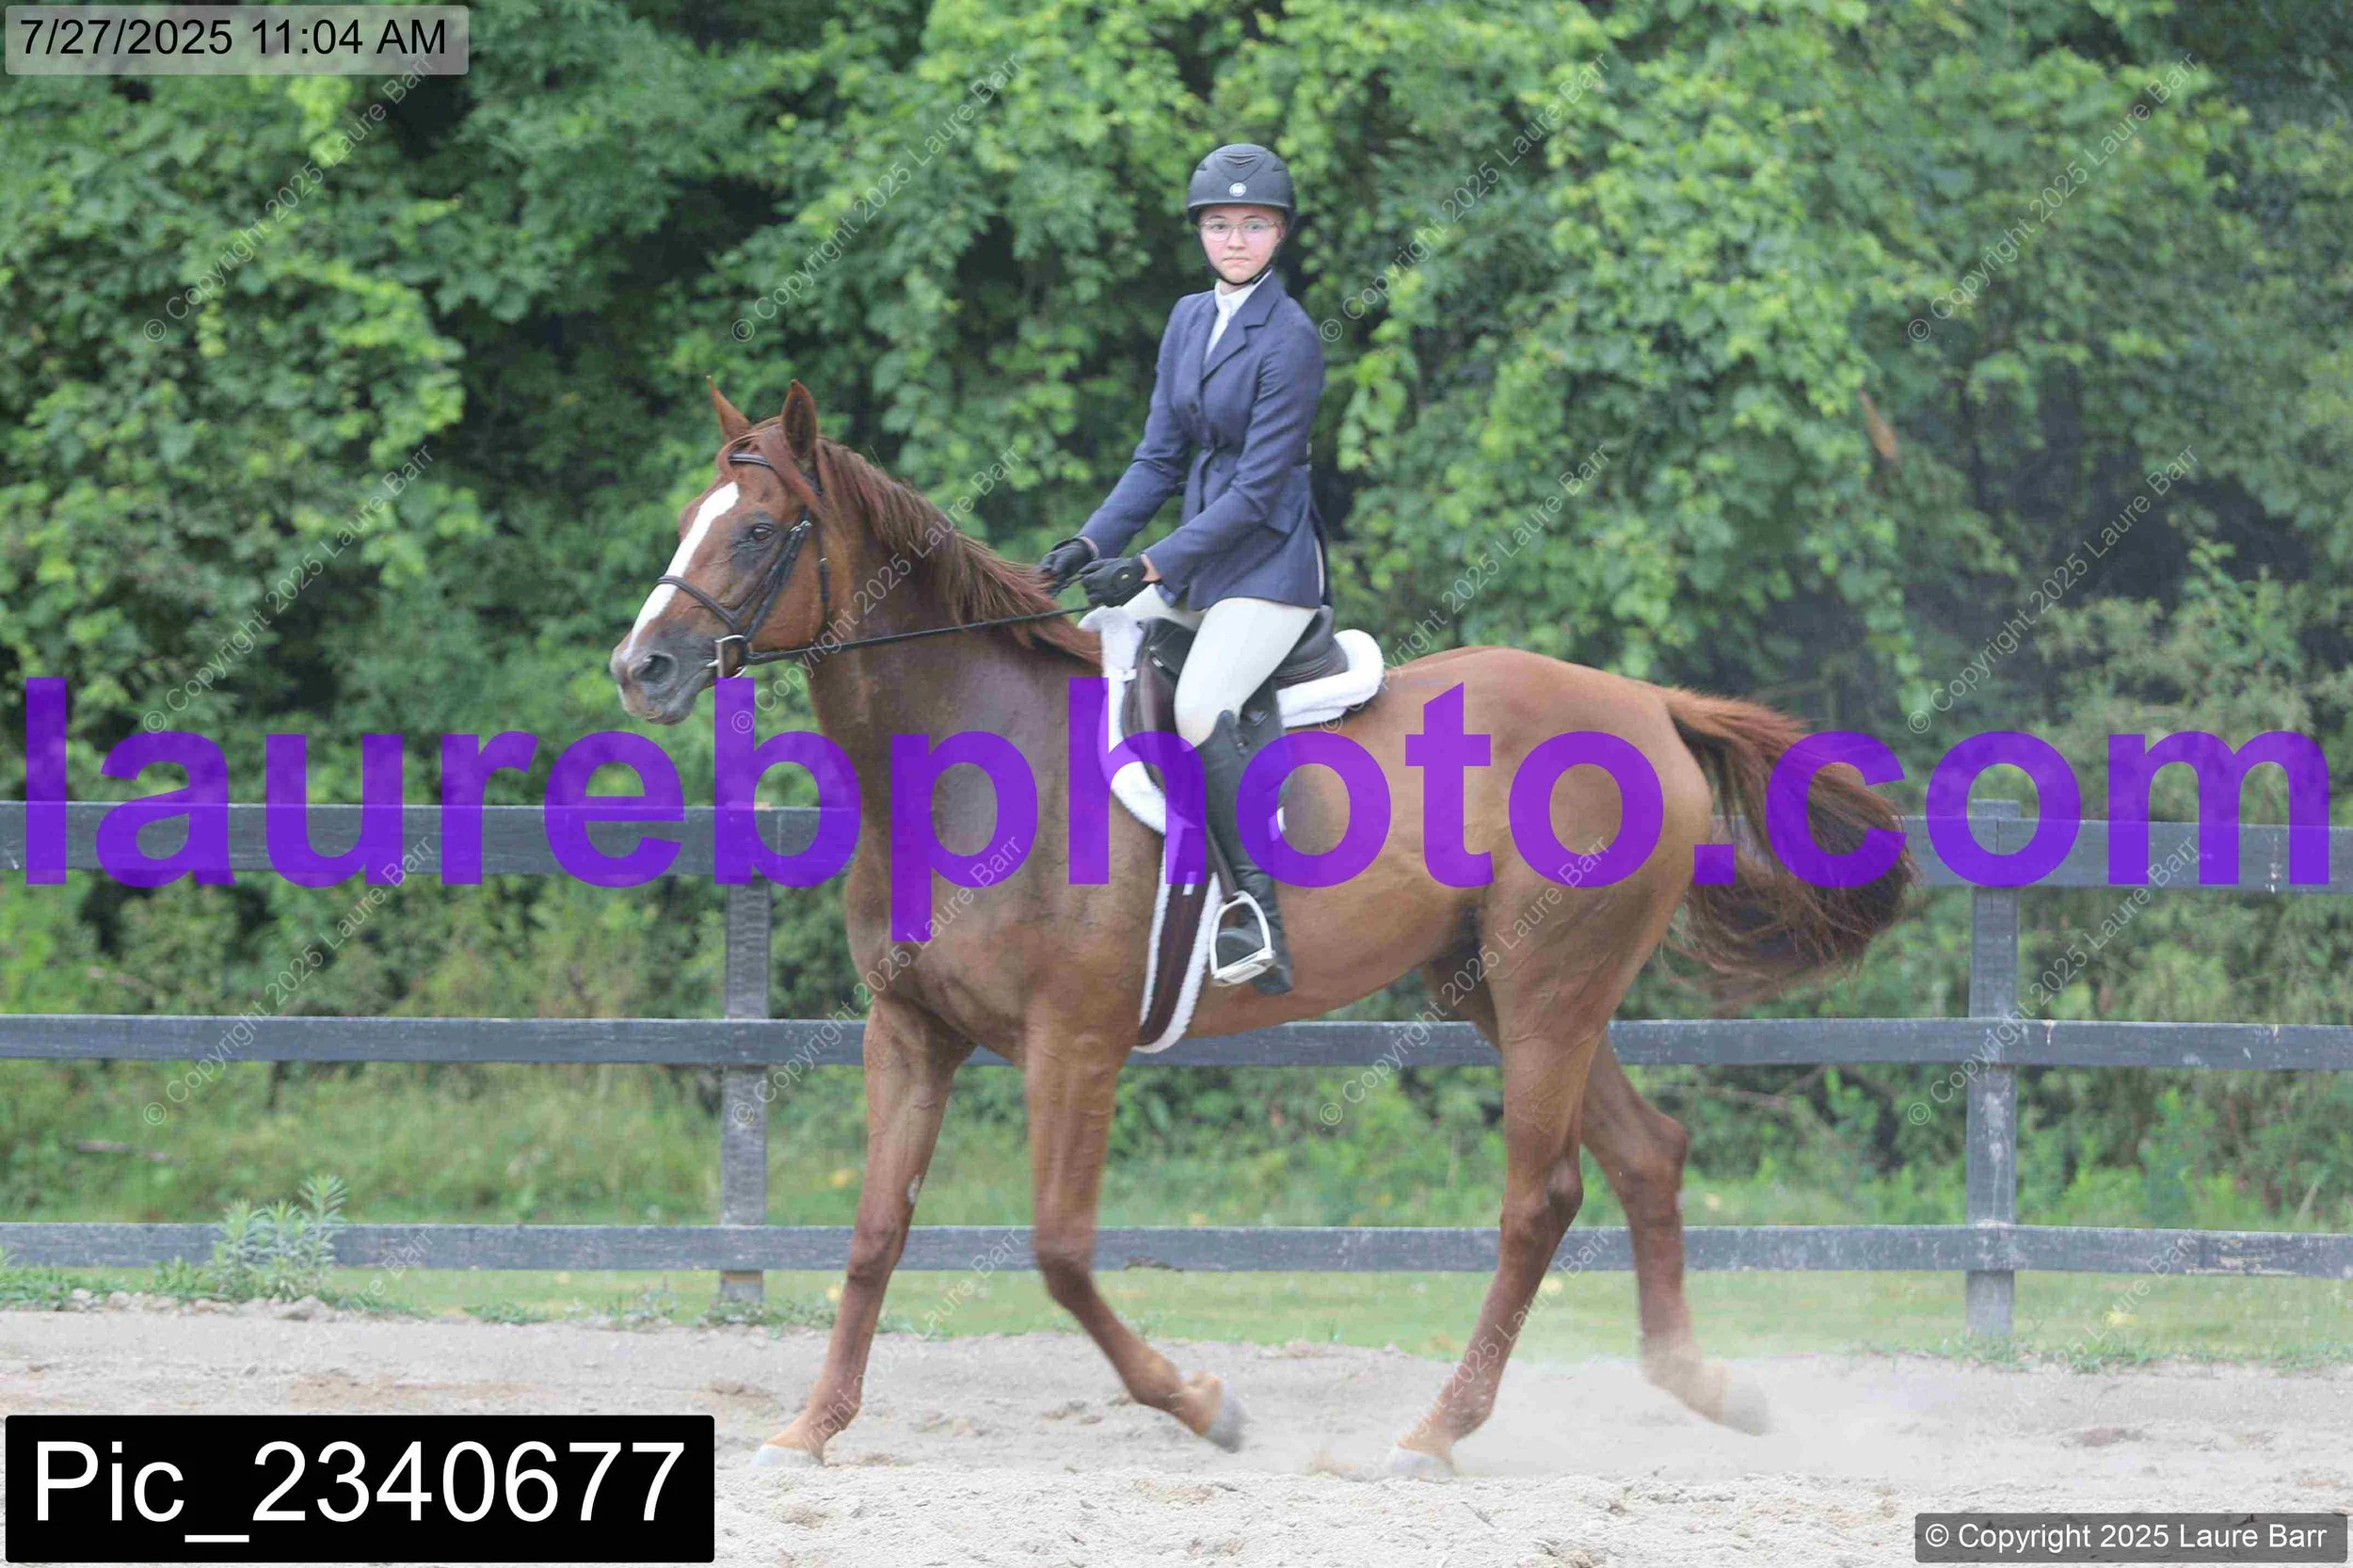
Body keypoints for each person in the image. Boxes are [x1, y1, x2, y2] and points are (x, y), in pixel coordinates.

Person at [1038, 142, 1329, 996]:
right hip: (1197, 567)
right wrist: (1089, 546)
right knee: (1092, 641)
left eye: (1253, 225)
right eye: (1220, 224)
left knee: (1201, 705)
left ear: (1279, 234)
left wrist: (1151, 565)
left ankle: (1256, 912)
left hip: (1269, 567)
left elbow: (1256, 493)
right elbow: (1159, 459)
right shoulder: (1187, 319)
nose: (1235, 240)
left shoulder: (1292, 338)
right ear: (1200, 232)